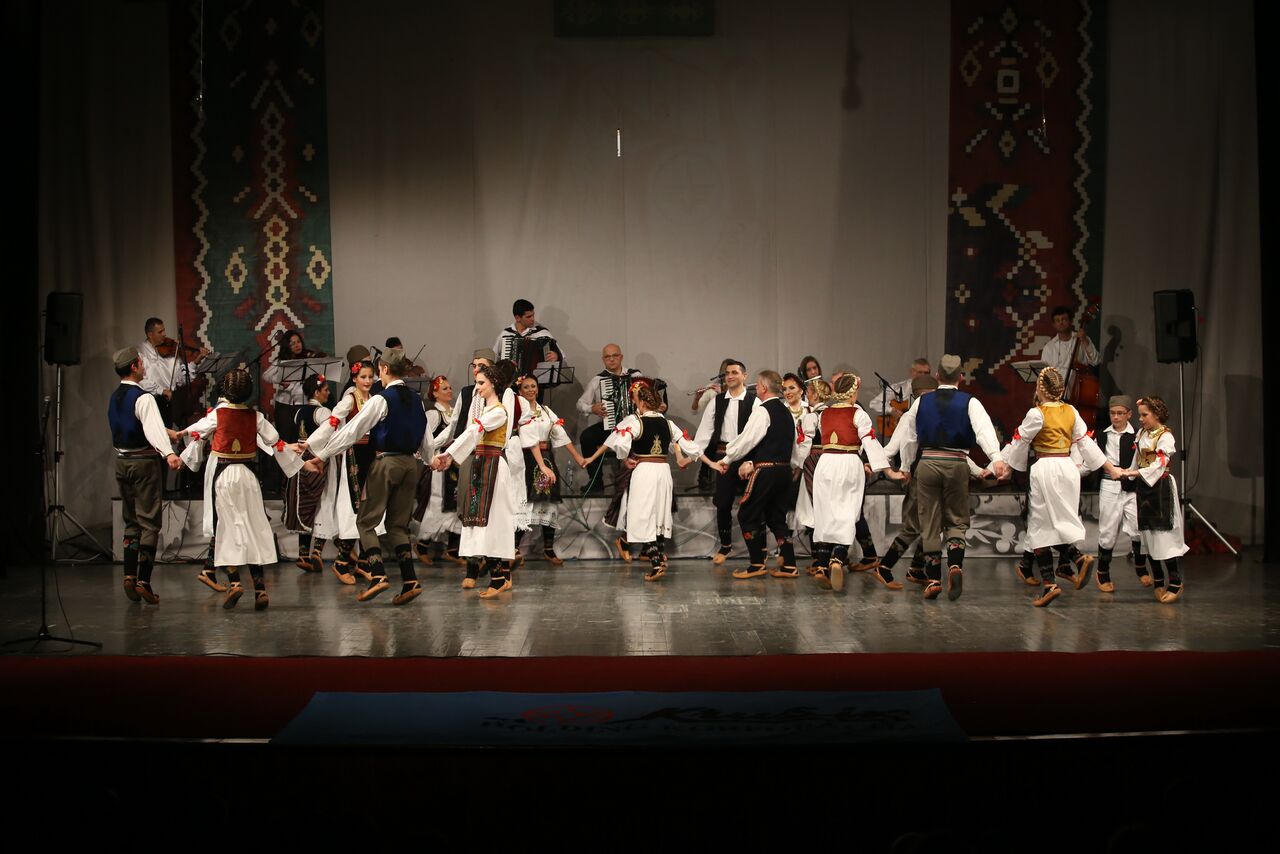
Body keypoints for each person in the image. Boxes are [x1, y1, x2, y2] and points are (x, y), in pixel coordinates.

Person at [304, 350, 434, 606]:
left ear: (384, 369)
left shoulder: (381, 399)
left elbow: (352, 430)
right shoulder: (417, 400)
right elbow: (425, 437)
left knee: (365, 521)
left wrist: (323, 454)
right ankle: (410, 580)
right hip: (411, 465)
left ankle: (377, 574)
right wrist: (431, 460)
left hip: (386, 462)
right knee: (398, 526)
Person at [177, 368, 298, 611]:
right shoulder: (256, 417)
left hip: (224, 476)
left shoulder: (218, 414)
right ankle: (260, 588)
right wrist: (300, 463)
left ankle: (234, 582)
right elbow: (275, 441)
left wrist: (179, 434)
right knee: (253, 527)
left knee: (227, 529)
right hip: (248, 477)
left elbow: (196, 430)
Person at [898, 354, 1010, 601]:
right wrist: (996, 458)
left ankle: (933, 579)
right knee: (957, 519)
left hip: (928, 462)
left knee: (929, 520)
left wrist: (905, 466)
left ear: (937, 375)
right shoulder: (970, 402)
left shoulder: (921, 402)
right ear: (961, 377)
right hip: (958, 462)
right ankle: (955, 565)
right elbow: (984, 430)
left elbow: (909, 438)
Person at [1000, 366, 1108, 607]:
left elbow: (1020, 441)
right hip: (1068, 468)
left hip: (1046, 467)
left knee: (1040, 524)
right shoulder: (1071, 410)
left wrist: (1009, 468)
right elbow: (1085, 443)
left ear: (1040, 388)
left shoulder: (1036, 413)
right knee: (1056, 521)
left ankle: (1054, 578)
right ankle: (1072, 562)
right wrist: (1109, 467)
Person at [713, 371, 824, 580]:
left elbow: (746, 440)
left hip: (766, 470)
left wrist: (727, 459)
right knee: (776, 517)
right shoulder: (786, 412)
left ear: (763, 388)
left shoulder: (763, 411)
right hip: (784, 471)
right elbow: (794, 445)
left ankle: (757, 563)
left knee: (747, 515)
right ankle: (789, 565)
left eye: (758, 385)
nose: (756, 388)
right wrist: (793, 466)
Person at [804, 374, 898, 590]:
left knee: (825, 514)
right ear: (853, 393)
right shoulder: (858, 414)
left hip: (825, 464)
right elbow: (870, 442)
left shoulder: (823, 414)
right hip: (848, 463)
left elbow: (809, 434)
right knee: (848, 513)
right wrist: (888, 471)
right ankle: (837, 558)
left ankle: (822, 565)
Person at [432, 364, 518, 598]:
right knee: (480, 521)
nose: (477, 387)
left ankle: (499, 578)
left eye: (481, 383)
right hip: (482, 466)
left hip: (493, 467)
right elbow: (469, 433)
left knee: (490, 522)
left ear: (493, 384)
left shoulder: (498, 411)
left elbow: (472, 433)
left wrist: (449, 455)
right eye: (477, 383)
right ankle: (498, 578)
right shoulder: (487, 411)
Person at [109, 346, 184, 604]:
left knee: (131, 521)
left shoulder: (115, 397)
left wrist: (167, 432)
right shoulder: (144, 397)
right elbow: (150, 429)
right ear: (134, 367)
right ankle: (144, 581)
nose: (144, 366)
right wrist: (169, 453)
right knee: (149, 522)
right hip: (143, 463)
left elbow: (138, 423)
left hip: (122, 463)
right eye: (141, 363)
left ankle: (129, 575)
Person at [604, 382, 701, 580]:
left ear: (640, 402)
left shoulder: (637, 422)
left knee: (642, 515)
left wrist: (625, 458)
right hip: (663, 471)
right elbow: (692, 448)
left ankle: (656, 564)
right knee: (659, 513)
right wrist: (689, 457)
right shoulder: (668, 423)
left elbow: (621, 445)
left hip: (644, 471)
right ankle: (660, 559)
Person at [298, 358, 374, 583]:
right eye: (363, 377)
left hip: (371, 456)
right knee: (355, 508)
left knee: (371, 509)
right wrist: (310, 443)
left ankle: (362, 562)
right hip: (354, 458)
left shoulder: (374, 400)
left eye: (370, 377)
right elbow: (331, 423)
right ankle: (342, 562)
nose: (367, 381)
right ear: (354, 379)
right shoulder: (350, 400)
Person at [1111, 396, 1188, 603]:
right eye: (1140, 415)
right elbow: (1137, 459)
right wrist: (1128, 472)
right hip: (1144, 488)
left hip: (1160, 488)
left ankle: (1175, 581)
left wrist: (1134, 474)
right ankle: (1158, 581)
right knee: (1147, 535)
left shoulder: (1165, 437)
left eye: (1145, 415)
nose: (1141, 419)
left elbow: (1159, 464)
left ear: (1156, 414)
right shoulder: (1142, 433)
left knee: (1163, 535)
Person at [514, 375, 593, 564]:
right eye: (526, 387)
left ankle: (548, 549)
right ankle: (514, 549)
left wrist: (578, 457)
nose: (531, 390)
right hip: (527, 460)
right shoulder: (519, 412)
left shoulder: (546, 411)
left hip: (547, 459)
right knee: (526, 501)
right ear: (520, 391)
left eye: (533, 386)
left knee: (548, 501)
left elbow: (561, 435)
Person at [693, 359, 760, 563]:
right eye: (727, 373)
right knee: (722, 503)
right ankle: (725, 546)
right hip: (723, 457)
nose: (729, 376)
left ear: (744, 376)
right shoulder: (717, 401)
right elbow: (704, 432)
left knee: (754, 503)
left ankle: (759, 549)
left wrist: (754, 461)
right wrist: (690, 454)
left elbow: (760, 433)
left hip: (747, 458)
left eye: (734, 372)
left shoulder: (754, 402)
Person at [1093, 395, 1149, 592]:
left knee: (1138, 528)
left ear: (1129, 414)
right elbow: (1092, 459)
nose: (1116, 417)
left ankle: (1141, 566)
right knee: (1108, 531)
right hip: (1110, 484)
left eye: (1120, 413)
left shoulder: (1138, 435)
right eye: (1112, 413)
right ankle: (1102, 571)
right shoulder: (1102, 436)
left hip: (1131, 485)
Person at [577, 344, 645, 494]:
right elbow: (580, 404)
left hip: (634, 426)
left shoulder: (635, 376)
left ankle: (640, 481)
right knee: (586, 437)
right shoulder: (598, 380)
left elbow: (646, 397)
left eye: (615, 355)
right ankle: (596, 481)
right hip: (611, 426)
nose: (612, 359)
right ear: (603, 360)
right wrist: (592, 408)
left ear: (621, 357)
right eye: (608, 357)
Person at [285, 374, 334, 574]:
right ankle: (317, 552)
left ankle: (303, 553)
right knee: (323, 503)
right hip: (317, 460)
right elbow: (328, 435)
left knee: (304, 504)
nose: (328, 393)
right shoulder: (323, 412)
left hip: (300, 460)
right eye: (326, 390)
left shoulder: (298, 412)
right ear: (316, 392)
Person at [413, 375, 464, 564]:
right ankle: (422, 544)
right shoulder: (434, 414)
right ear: (434, 393)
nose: (449, 391)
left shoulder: (454, 412)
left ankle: (452, 549)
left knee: (456, 502)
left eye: (450, 388)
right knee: (438, 502)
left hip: (455, 462)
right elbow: (426, 440)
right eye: (444, 389)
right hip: (439, 464)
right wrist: (429, 457)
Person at [137, 317, 210, 408]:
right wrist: (161, 391)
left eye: (164, 330)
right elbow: (139, 380)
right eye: (160, 332)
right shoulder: (140, 352)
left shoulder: (171, 351)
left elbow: (180, 379)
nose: (164, 334)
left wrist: (196, 361)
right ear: (150, 335)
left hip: (173, 399)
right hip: (152, 401)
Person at [494, 299, 561, 373]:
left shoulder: (542, 333)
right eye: (528, 317)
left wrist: (556, 356)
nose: (533, 319)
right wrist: (504, 365)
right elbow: (494, 358)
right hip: (513, 378)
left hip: (536, 378)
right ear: (517, 318)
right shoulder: (506, 334)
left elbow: (562, 356)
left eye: (533, 315)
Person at [1040, 305, 1099, 379]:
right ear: (1054, 324)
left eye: (1064, 319)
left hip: (1080, 383)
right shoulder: (1049, 347)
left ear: (1071, 321)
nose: (1061, 323)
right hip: (1058, 386)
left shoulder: (1082, 339)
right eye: (1057, 320)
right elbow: (1045, 375)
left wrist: (1085, 341)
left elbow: (1096, 361)